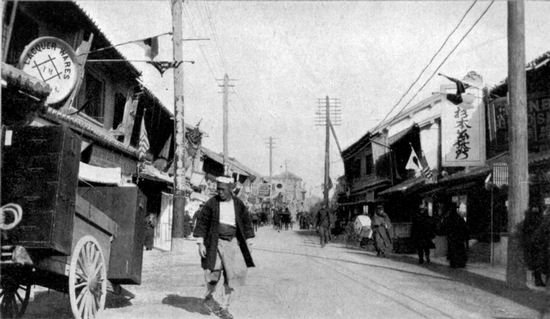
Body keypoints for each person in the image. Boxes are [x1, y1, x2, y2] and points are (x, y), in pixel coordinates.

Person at [193, 176, 255, 319]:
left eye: (222, 189)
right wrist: (200, 242)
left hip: (232, 243)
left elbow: (246, 223)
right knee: (213, 272)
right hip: (214, 241)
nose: (219, 192)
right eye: (218, 189)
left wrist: (249, 242)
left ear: (231, 189)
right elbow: (202, 222)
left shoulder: (238, 204)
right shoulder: (211, 203)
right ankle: (209, 296)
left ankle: (224, 308)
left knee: (231, 276)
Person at [520, 207, 545, 286]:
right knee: (537, 262)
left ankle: (537, 278)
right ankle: (538, 279)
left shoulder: (527, 221)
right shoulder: (538, 220)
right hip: (535, 244)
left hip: (531, 244)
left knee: (534, 262)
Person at [444, 203, 469, 268]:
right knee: (459, 249)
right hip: (459, 237)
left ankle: (454, 263)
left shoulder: (448, 218)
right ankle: (460, 263)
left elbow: (445, 228)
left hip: (452, 237)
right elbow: (464, 228)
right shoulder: (459, 218)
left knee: (453, 250)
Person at [532, 206, 550, 287]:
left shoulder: (544, 219)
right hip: (543, 245)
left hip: (541, 244)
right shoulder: (546, 220)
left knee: (540, 263)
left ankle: (538, 279)